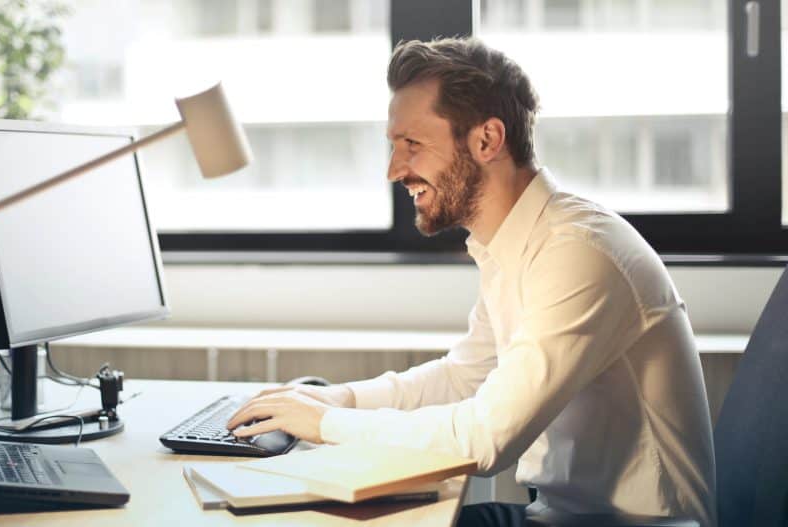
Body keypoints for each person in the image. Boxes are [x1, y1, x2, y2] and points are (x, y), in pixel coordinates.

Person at [226, 37, 716, 527]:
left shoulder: (578, 254)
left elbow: (487, 439)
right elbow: (465, 377)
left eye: (412, 145)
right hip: (561, 516)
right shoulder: (513, 243)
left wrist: (327, 424)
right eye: (393, 146)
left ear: (487, 140)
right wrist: (342, 399)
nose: (394, 170)